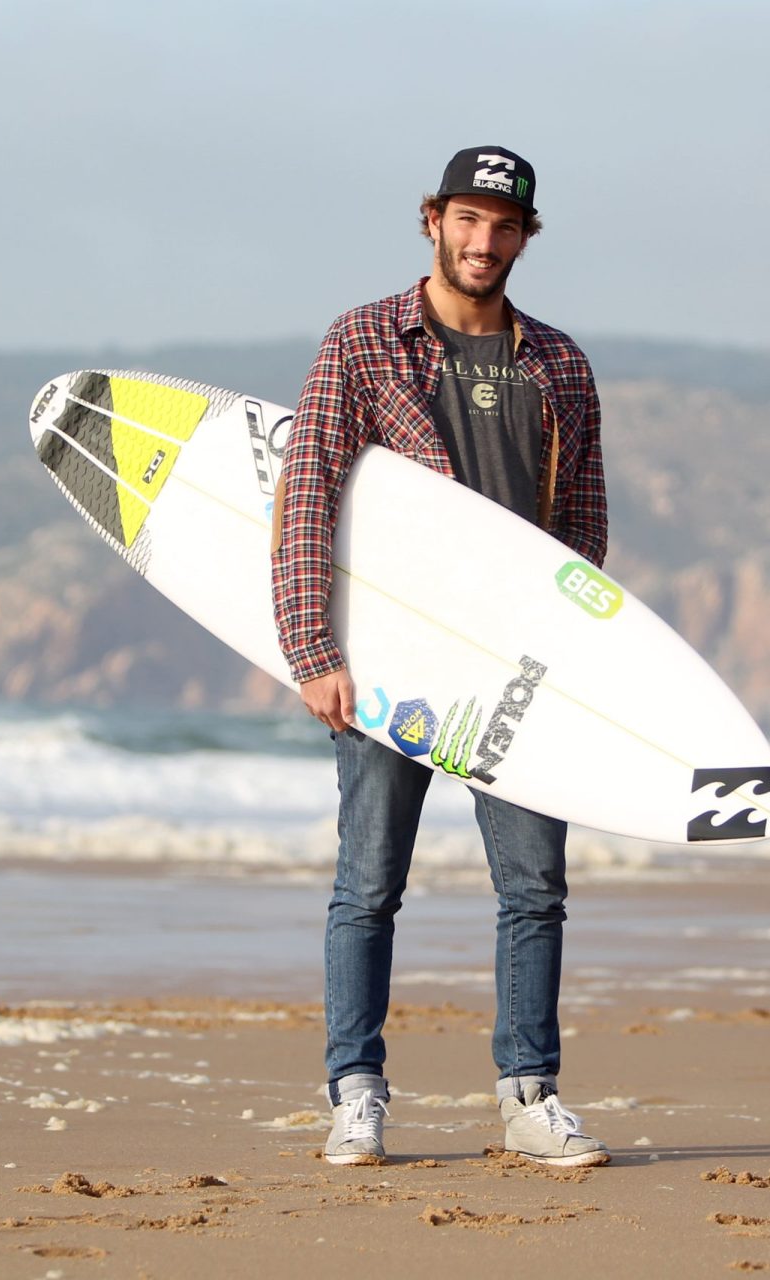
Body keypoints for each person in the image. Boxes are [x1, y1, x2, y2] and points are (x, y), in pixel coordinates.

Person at [271, 146, 610, 1168]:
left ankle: (528, 1092)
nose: (483, 241)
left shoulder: (557, 364)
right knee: (369, 882)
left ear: (526, 236)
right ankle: (357, 1090)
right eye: (467, 219)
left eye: (504, 226)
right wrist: (313, 648)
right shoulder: (365, 341)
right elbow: (307, 496)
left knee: (535, 886)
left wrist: (565, 650)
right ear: (432, 220)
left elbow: (583, 526)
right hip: (387, 658)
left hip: (512, 666)